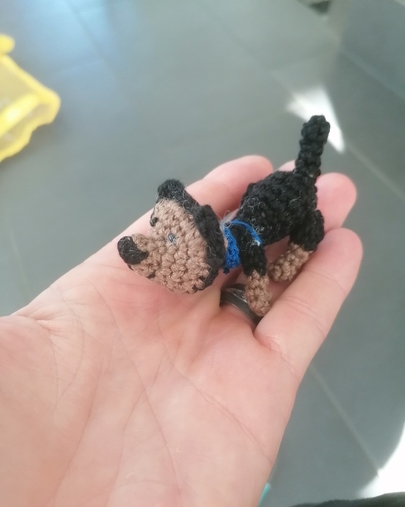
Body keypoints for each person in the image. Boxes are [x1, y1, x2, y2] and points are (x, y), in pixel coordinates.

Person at [0, 156, 363, 506]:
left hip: (286, 201)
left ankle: (303, 243)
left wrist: (261, 286)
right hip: (257, 202)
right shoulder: (226, 238)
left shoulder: (244, 242)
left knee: (307, 222)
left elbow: (255, 258)